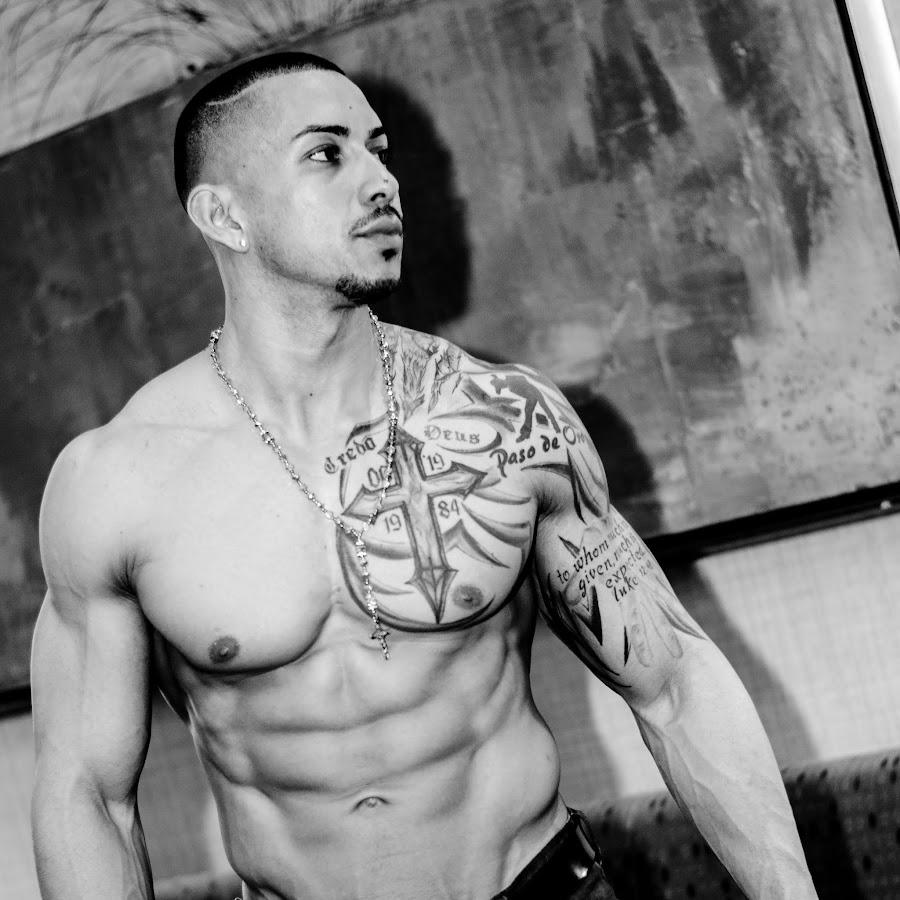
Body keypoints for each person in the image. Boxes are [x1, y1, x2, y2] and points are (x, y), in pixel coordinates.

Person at [31, 51, 819, 900]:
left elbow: (673, 681)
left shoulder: (505, 421)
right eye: (327, 154)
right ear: (224, 214)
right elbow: (88, 797)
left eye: (379, 150)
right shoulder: (116, 483)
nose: (381, 182)